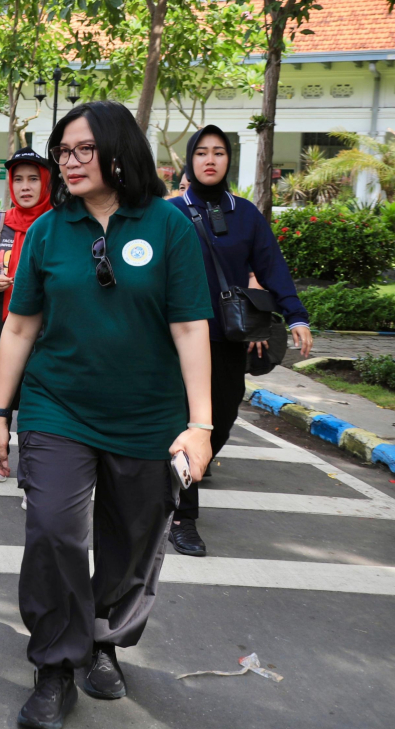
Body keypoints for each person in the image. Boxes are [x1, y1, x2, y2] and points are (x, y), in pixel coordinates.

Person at [0, 101, 213, 729]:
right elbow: (21, 325)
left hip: (148, 414)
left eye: (83, 150)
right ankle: (55, 665)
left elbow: (191, 327)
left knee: (135, 539)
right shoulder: (51, 232)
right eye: (64, 152)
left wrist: (201, 425)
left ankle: (103, 640)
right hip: (58, 408)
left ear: (119, 150)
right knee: (54, 529)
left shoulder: (168, 227)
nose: (69, 162)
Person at [166, 124, 312, 557]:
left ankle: (196, 462)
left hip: (229, 337)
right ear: (190, 161)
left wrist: (295, 315)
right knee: (189, 420)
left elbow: (272, 268)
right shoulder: (171, 213)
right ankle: (182, 517)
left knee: (224, 415)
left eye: (219, 152)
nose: (210, 160)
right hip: (178, 338)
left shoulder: (246, 214)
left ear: (229, 161)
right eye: (202, 153)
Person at [0, 147, 53, 486]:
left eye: (33, 179)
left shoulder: (58, 225)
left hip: (45, 330)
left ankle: (34, 472)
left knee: (38, 401)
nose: (25, 186)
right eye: (18, 179)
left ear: (46, 182)